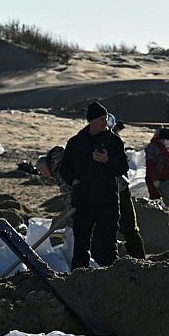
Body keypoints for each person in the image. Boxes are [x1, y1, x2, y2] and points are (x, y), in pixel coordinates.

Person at [57, 101, 129, 269]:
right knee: (81, 243)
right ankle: (79, 278)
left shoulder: (114, 141)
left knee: (109, 242)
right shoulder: (76, 142)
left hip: (107, 198)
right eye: (101, 118)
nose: (105, 122)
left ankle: (111, 278)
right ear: (91, 121)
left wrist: (107, 161)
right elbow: (65, 168)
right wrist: (74, 180)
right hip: (83, 198)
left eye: (106, 118)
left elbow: (123, 168)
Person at [145, 127, 169, 209]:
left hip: (168, 180)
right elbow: (151, 165)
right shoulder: (153, 148)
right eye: (166, 139)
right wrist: (155, 179)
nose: (168, 141)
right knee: (157, 201)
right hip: (157, 181)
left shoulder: (167, 148)